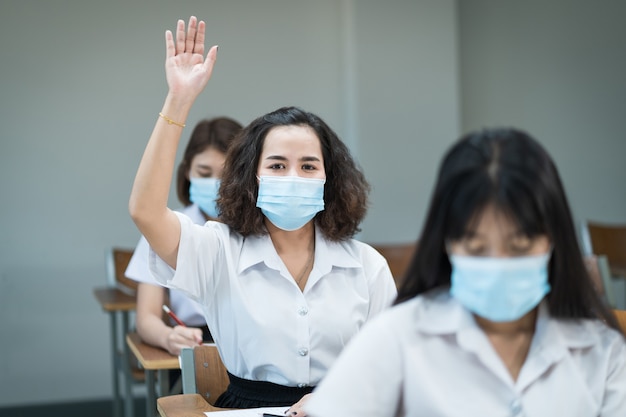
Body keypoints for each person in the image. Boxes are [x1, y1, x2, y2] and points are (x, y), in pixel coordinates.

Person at [128, 16, 397, 414]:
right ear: (251, 179)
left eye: (308, 166)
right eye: (276, 165)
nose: (293, 176)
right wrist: (179, 100)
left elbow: (390, 362)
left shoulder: (367, 265)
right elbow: (145, 211)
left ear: (329, 179)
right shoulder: (218, 250)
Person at [305, 128, 626, 416]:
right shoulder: (396, 338)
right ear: (446, 243)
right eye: (476, 249)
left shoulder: (600, 349)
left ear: (553, 241)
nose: (498, 265)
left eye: (520, 246)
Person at [125, 116, 242, 356]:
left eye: (225, 174)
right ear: (187, 170)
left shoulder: (264, 228)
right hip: (195, 345)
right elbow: (146, 318)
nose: (216, 184)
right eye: (204, 172)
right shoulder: (165, 228)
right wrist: (169, 337)